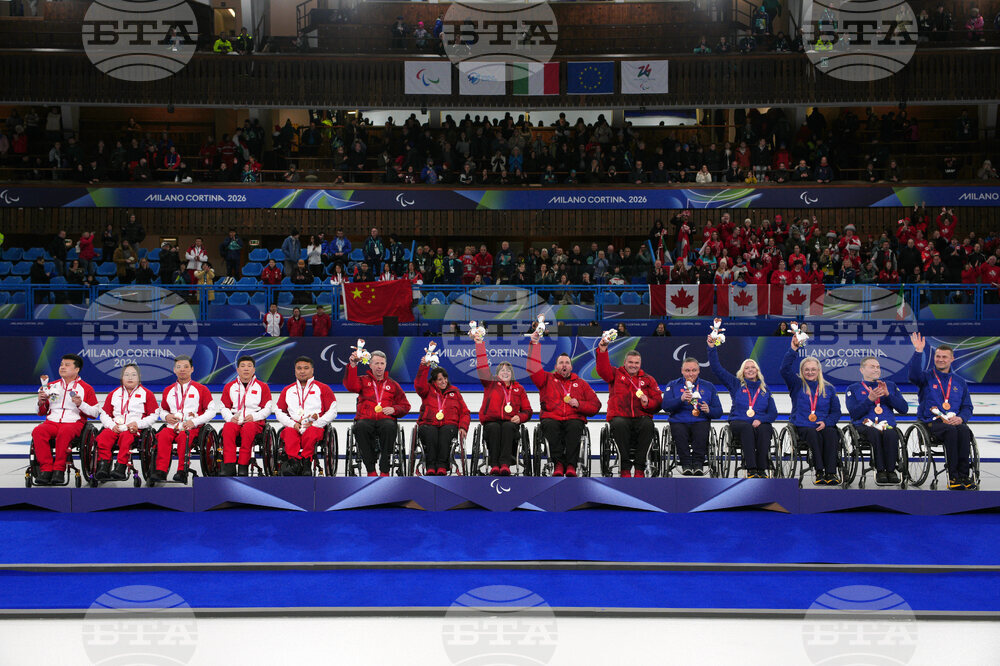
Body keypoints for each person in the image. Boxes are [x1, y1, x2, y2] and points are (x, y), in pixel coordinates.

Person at [527, 328, 602, 477]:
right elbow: (533, 368)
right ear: (556, 367)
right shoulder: (546, 379)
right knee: (550, 425)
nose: (564, 365)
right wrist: (534, 344)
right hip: (552, 417)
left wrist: (579, 404)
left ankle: (571, 466)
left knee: (574, 427)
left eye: (567, 363)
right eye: (561, 363)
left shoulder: (581, 384)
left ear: (571, 367)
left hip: (574, 418)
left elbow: (596, 405)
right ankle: (559, 464)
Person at [908, 332, 975, 489]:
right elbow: (913, 376)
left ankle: (964, 475)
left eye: (944, 357)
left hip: (954, 422)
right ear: (934, 358)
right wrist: (918, 352)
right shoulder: (926, 377)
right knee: (951, 431)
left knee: (964, 430)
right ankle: (953, 477)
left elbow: (967, 407)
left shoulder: (960, 382)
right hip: (931, 423)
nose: (940, 359)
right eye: (938, 356)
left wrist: (961, 418)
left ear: (952, 359)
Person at [780, 331, 842, 485]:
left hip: (823, 424)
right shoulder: (796, 385)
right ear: (801, 371)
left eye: (813, 369)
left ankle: (831, 473)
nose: (810, 372)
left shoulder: (829, 388)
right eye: (806, 370)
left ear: (819, 371)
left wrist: (826, 422)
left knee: (831, 434)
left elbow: (836, 412)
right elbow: (784, 370)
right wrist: (793, 349)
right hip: (803, 426)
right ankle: (819, 472)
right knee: (812, 434)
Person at [707, 341, 777, 478]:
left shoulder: (765, 390)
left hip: (759, 423)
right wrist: (711, 348)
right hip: (739, 422)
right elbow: (716, 368)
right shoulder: (735, 384)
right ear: (742, 372)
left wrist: (760, 419)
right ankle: (751, 468)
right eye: (747, 368)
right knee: (747, 428)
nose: (750, 369)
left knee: (765, 429)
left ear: (757, 370)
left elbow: (773, 413)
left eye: (753, 367)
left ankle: (762, 468)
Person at [596, 337, 663, 477]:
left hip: (641, 417)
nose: (633, 365)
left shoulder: (648, 379)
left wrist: (648, 403)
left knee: (648, 424)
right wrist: (602, 351)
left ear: (640, 364)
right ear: (625, 362)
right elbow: (602, 370)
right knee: (620, 424)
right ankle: (625, 468)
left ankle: (639, 468)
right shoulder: (615, 374)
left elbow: (657, 402)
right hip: (620, 416)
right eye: (630, 362)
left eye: (636, 363)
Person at [32, 354, 100, 485]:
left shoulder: (86, 388)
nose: (62, 367)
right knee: (38, 431)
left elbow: (94, 413)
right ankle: (45, 470)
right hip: (52, 422)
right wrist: (41, 402)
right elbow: (41, 412)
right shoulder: (51, 386)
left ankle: (59, 470)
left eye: (67, 365)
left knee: (65, 432)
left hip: (73, 423)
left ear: (77, 369)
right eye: (61, 364)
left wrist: (81, 404)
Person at [345, 348, 411, 475]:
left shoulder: (393, 385)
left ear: (386, 365)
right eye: (376, 363)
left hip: (385, 419)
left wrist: (394, 409)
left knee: (388, 426)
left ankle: (385, 468)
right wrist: (353, 365)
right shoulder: (363, 380)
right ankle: (370, 470)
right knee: (360, 427)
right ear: (370, 365)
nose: (379, 367)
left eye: (382, 363)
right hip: (366, 418)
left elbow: (405, 405)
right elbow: (351, 386)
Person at [474, 334, 533, 476]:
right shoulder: (490, 383)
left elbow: (528, 410)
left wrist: (520, 417)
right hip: (491, 422)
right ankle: (494, 464)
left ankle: (505, 464)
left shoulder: (519, 389)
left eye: (508, 370)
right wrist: (479, 344)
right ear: (497, 374)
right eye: (502, 370)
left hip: (510, 422)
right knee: (494, 428)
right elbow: (482, 367)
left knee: (507, 427)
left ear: (511, 374)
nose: (505, 372)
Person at [151, 356, 215, 485]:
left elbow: (211, 411)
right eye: (179, 367)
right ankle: (161, 471)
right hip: (172, 426)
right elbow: (162, 410)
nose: (182, 370)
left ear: (192, 369)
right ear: (174, 370)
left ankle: (182, 471)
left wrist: (194, 422)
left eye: (186, 367)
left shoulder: (201, 389)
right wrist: (166, 417)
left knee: (183, 437)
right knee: (162, 435)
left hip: (192, 427)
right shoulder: (168, 390)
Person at [846, 356, 908, 485]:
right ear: (862, 370)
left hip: (886, 426)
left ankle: (891, 471)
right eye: (872, 367)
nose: (876, 369)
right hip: (865, 425)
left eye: (878, 367)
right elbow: (854, 413)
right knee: (874, 432)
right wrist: (869, 400)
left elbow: (904, 409)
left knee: (891, 433)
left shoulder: (890, 386)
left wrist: (888, 395)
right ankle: (880, 470)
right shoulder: (853, 388)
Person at [94, 363, 159, 482]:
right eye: (127, 375)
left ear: (139, 377)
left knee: (126, 437)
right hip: (115, 426)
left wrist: (137, 424)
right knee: (103, 437)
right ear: (122, 377)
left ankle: (120, 467)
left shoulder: (147, 394)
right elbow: (104, 413)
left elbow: (154, 415)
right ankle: (104, 466)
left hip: (134, 429)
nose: (130, 378)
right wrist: (111, 425)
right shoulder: (114, 393)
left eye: (133, 375)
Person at [274, 356, 336, 476]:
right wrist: (292, 424)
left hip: (315, 425)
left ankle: (307, 462)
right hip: (295, 425)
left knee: (311, 432)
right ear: (295, 371)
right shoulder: (288, 390)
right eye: (299, 368)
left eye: (306, 368)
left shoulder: (323, 388)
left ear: (312, 370)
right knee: (288, 432)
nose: (302, 371)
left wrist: (316, 423)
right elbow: (278, 411)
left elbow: (332, 411)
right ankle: (294, 462)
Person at [662, 356, 723, 475]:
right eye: (687, 370)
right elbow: (665, 406)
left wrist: (709, 410)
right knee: (679, 431)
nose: (691, 374)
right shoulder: (673, 385)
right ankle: (686, 464)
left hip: (700, 419)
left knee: (701, 430)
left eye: (694, 370)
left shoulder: (708, 386)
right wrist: (680, 399)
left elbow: (719, 412)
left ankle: (698, 464)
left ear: (699, 370)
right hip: (679, 420)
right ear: (682, 370)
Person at [415, 357, 471, 476]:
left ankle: (442, 466)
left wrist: (463, 427)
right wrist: (424, 367)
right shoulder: (427, 390)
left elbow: (465, 412)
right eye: (440, 379)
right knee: (431, 432)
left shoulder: (455, 392)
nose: (444, 381)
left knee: (445, 432)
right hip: (428, 424)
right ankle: (430, 466)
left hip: (448, 425)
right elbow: (419, 384)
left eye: (445, 378)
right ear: (434, 381)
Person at [218, 356, 272, 477]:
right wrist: (229, 418)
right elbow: (224, 407)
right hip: (235, 420)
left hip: (254, 422)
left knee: (249, 428)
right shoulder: (229, 386)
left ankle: (243, 465)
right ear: (238, 370)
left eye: (249, 366)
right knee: (228, 428)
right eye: (243, 366)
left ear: (254, 370)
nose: (246, 369)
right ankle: (229, 465)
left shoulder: (262, 387)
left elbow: (268, 408)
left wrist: (254, 416)